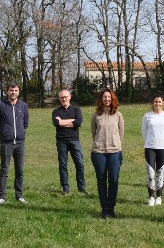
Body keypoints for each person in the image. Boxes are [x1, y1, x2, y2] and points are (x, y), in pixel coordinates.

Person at [91, 88, 124, 218]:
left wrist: (115, 144)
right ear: (101, 99)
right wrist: (99, 144)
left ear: (112, 99)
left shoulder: (118, 115)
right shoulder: (96, 116)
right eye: (104, 97)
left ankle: (111, 208)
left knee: (114, 180)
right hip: (99, 152)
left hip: (115, 152)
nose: (107, 99)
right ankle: (104, 209)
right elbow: (94, 133)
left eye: (109, 97)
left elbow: (121, 133)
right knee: (101, 181)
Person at [0, 82, 29, 204]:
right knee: (4, 170)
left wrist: (20, 133)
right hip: (6, 143)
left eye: (16, 90)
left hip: (20, 143)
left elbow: (26, 123)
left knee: (20, 170)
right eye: (11, 90)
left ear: (18, 92)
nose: (13, 93)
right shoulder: (0, 106)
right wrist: (4, 133)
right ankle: (2, 197)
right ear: (7, 91)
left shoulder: (23, 105)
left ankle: (19, 195)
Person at [52, 90, 87, 195]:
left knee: (79, 164)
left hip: (75, 140)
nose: (64, 99)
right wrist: (72, 121)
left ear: (70, 97)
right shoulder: (56, 111)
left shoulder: (77, 109)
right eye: (62, 97)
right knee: (63, 165)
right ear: (59, 99)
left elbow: (78, 122)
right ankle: (65, 188)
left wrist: (62, 122)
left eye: (66, 97)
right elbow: (57, 123)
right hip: (61, 141)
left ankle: (81, 188)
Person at [142, 94, 164, 206]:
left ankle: (159, 196)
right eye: (156, 101)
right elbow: (144, 131)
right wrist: (150, 141)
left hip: (163, 147)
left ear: (163, 103)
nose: (157, 104)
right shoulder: (147, 116)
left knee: (160, 172)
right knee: (150, 173)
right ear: (152, 103)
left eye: (159, 102)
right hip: (150, 147)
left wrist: (163, 141)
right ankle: (151, 197)